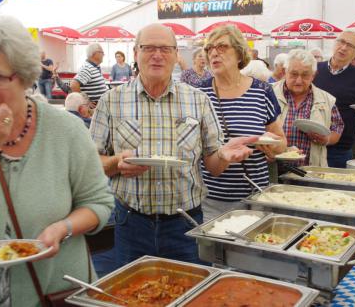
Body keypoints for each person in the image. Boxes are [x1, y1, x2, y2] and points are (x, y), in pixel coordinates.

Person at [0, 15, 113, 307]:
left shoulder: (66, 130)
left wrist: (64, 227)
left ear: (24, 76)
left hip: (57, 290)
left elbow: (99, 203)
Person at [90, 23, 257, 267]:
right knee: (133, 298)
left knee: (190, 296)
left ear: (176, 54)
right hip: (131, 224)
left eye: (165, 49)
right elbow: (92, 162)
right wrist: (115, 163)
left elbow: (213, 166)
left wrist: (223, 155)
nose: (157, 55)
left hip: (186, 225)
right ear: (136, 52)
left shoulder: (198, 100)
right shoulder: (110, 101)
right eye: (149, 48)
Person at [199, 25, 287, 221]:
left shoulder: (262, 91)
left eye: (221, 47)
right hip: (211, 200)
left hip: (255, 197)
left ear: (239, 53)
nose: (214, 52)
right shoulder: (199, 94)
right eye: (209, 49)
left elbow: (281, 142)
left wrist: (274, 146)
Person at [273, 49, 344, 167]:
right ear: (285, 72)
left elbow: (338, 128)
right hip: (272, 168)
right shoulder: (269, 94)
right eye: (294, 74)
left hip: (310, 170)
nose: (299, 80)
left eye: (305, 75)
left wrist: (327, 139)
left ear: (313, 75)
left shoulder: (326, 99)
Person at [313, 30, 355, 168]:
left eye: (350, 45)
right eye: (342, 42)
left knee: (336, 188)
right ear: (335, 43)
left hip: (339, 149)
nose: (344, 47)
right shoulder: (314, 69)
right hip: (311, 142)